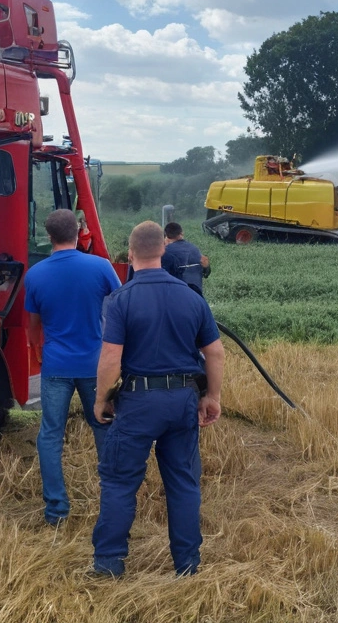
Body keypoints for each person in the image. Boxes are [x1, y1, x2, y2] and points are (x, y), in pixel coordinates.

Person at [91, 221, 225, 578]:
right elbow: (215, 352)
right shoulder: (191, 297)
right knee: (182, 482)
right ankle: (187, 565)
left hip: (138, 402)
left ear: (130, 254)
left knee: (120, 482)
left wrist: (101, 398)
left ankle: (108, 564)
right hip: (183, 400)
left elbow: (110, 358)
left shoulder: (122, 298)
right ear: (163, 250)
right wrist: (211, 397)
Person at [23, 209, 122, 526]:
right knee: (103, 426)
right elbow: (123, 306)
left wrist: (40, 352)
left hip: (56, 366)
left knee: (50, 435)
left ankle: (56, 511)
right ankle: (112, 504)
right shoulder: (100, 266)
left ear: (48, 236)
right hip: (95, 365)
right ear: (79, 232)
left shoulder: (35, 274)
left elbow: (33, 327)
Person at [161, 221, 211, 296]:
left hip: (175, 295)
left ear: (166, 236)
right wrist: (207, 267)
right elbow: (206, 273)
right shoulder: (194, 249)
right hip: (196, 294)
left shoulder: (165, 252)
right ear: (182, 233)